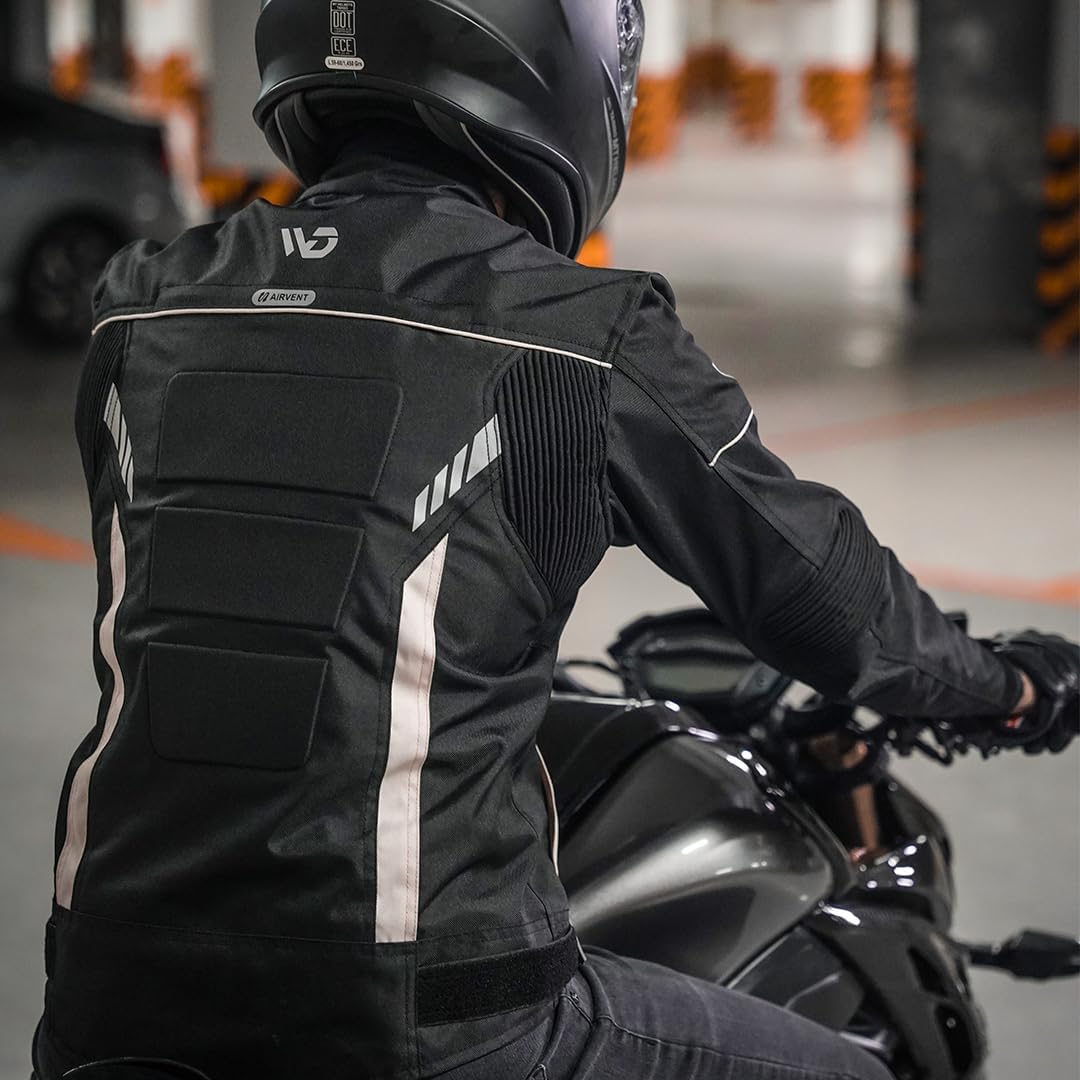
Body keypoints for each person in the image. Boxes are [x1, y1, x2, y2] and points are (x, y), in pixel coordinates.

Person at [33, 2, 1078, 1078]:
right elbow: (820, 590)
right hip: (421, 1015)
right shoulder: (576, 336)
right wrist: (1006, 688)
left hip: (106, 992)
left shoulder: (139, 306)